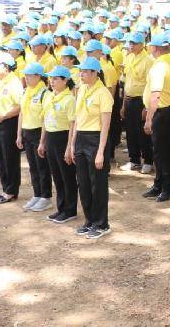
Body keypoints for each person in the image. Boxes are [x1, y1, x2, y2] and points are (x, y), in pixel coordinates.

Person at [67, 57, 114, 239]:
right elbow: (78, 119)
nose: (81, 74)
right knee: (83, 183)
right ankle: (89, 220)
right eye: (81, 71)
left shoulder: (103, 93)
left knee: (98, 184)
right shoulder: (82, 89)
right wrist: (73, 144)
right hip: (81, 138)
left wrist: (101, 151)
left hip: (96, 139)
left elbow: (105, 125)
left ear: (95, 73)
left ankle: (102, 224)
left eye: (85, 71)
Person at [142, 35, 170, 203]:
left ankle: (166, 188)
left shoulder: (160, 66)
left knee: (163, 152)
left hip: (161, 113)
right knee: (161, 152)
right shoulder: (168, 63)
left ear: (155, 48)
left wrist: (149, 118)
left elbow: (156, 95)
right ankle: (159, 184)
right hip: (165, 112)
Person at [39, 65, 78, 223]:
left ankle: (70, 210)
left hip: (63, 138)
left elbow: (72, 125)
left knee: (67, 176)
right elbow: (45, 120)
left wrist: (69, 147)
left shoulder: (69, 99)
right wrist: (42, 142)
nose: (52, 81)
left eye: (55, 79)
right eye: (51, 78)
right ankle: (61, 208)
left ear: (65, 80)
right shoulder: (49, 96)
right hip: (51, 137)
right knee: (56, 175)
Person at [0, 52, 24, 204]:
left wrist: (5, 116)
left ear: (6, 67)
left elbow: (20, 106)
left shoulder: (14, 83)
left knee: (10, 157)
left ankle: (11, 190)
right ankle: (5, 187)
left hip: (8, 122)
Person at [17, 63, 53, 212]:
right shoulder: (26, 91)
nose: (26, 78)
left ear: (38, 76)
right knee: (33, 167)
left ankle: (46, 197)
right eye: (25, 75)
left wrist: (43, 141)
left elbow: (45, 119)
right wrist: (19, 134)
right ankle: (37, 194)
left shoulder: (45, 93)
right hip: (27, 132)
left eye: (30, 75)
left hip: (39, 132)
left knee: (42, 166)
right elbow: (22, 113)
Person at [120, 32, 153, 173]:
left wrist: (147, 107)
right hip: (129, 99)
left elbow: (150, 85)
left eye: (134, 43)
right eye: (130, 43)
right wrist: (123, 105)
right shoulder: (129, 58)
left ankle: (148, 160)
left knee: (142, 132)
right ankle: (134, 160)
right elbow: (127, 82)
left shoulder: (148, 61)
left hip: (141, 101)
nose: (131, 46)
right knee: (130, 131)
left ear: (141, 44)